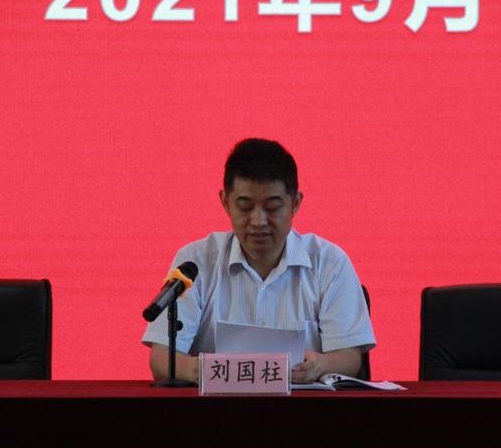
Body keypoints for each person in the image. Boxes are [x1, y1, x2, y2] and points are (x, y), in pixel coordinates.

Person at [142, 138, 375, 383]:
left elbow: (349, 356)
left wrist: (318, 366)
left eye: (272, 208)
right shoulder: (195, 263)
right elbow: (161, 357)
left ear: (295, 203)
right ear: (225, 202)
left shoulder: (329, 263)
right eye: (245, 207)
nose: (258, 221)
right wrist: (202, 369)